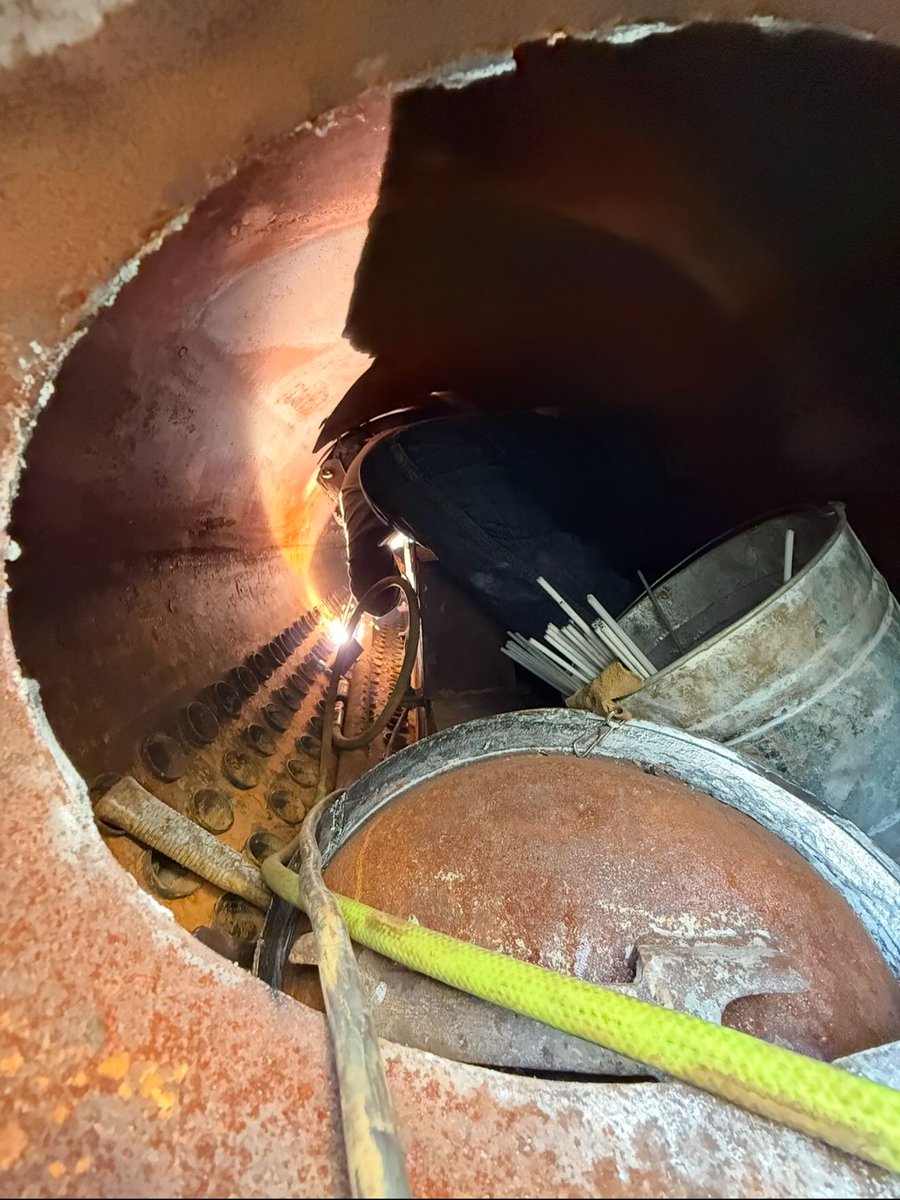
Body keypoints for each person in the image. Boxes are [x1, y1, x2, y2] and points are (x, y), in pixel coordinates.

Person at [320, 382, 759, 639]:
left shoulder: (364, 466)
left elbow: (373, 587)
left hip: (434, 465)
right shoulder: (451, 408)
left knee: (393, 470)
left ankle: (634, 646)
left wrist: (391, 604)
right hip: (603, 452)